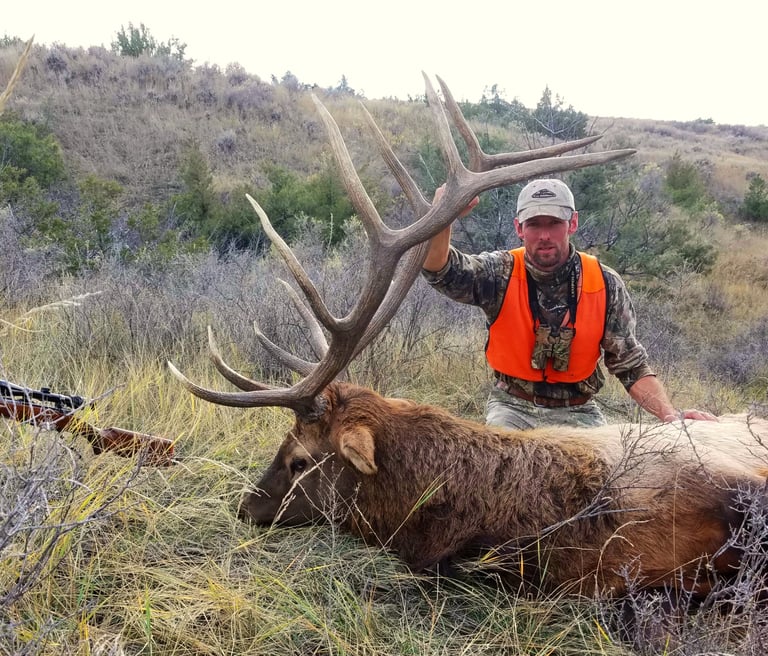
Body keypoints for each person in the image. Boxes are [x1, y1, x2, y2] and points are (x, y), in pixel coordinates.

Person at [422, 178, 718, 429]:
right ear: (519, 228)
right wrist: (442, 214)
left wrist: (671, 416)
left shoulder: (605, 283)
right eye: (534, 224)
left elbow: (630, 365)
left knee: (607, 487)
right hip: (512, 409)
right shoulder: (499, 273)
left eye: (555, 223)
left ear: (573, 223)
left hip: (578, 411)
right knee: (497, 480)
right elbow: (440, 268)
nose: (545, 235)